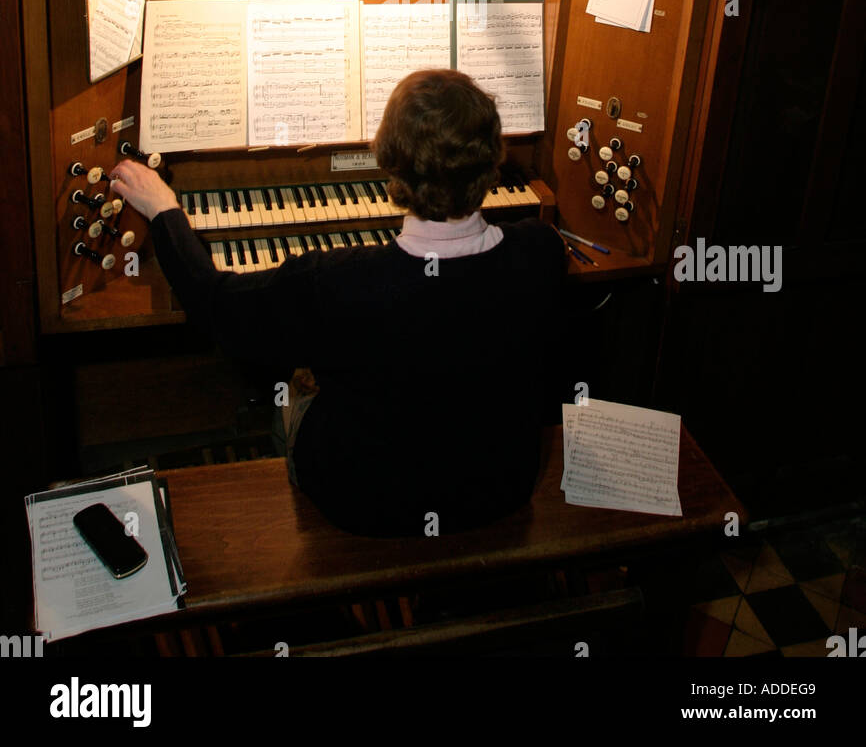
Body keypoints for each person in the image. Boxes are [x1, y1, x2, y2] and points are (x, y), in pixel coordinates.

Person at [108, 69, 568, 537]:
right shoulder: (542, 252)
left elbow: (216, 308)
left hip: (367, 504)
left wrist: (163, 209)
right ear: (493, 159)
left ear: (389, 160)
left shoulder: (337, 283)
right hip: (499, 489)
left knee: (293, 388)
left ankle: (295, 527)